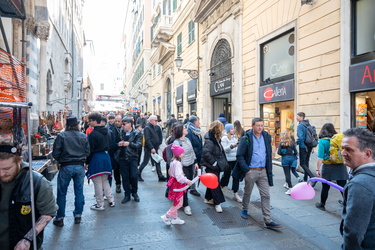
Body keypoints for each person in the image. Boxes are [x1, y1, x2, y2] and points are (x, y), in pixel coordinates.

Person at [0, 138, 57, 249]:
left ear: (20, 160)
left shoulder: (36, 182)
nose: (1, 174)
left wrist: (27, 239)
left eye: (7, 169)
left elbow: (48, 212)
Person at [233, 117, 282, 229]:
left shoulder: (266, 137)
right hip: (251, 171)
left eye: (261, 125)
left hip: (263, 170)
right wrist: (247, 170)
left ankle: (268, 220)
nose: (260, 127)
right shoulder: (246, 138)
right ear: (253, 126)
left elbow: (268, 154)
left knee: (266, 195)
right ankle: (245, 209)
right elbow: (239, 156)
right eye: (257, 125)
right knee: (247, 192)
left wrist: (269, 169)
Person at [340, 127, 375, 249]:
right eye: (342, 148)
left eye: (349, 149)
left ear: (367, 154)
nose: (343, 153)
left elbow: (353, 233)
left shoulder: (360, 184)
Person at [52, 116, 90, 227]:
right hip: (79, 166)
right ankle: (78, 215)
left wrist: (60, 159)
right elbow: (88, 152)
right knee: (79, 191)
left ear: (67, 125)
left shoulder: (61, 136)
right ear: (77, 125)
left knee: (62, 192)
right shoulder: (83, 136)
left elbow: (55, 153)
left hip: (66, 166)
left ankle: (60, 217)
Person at [315, 123, 348, 211]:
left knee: (325, 187)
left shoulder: (323, 141)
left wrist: (317, 169)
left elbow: (320, 157)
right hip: (340, 165)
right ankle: (349, 205)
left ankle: (322, 204)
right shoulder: (338, 139)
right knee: (343, 186)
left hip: (328, 166)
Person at [86, 112, 115, 210]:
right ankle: (110, 200)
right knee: (105, 180)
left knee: (97, 182)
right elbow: (111, 145)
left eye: (90, 121)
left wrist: (87, 162)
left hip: (96, 158)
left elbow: (90, 150)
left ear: (95, 121)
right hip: (106, 157)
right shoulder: (108, 131)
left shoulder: (93, 134)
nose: (89, 123)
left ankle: (100, 204)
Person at [161, 145, 192, 225]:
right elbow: (179, 176)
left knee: (175, 202)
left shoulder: (173, 161)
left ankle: (175, 218)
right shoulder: (178, 163)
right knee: (179, 203)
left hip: (174, 183)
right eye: (182, 153)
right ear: (178, 154)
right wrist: (187, 180)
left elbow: (170, 172)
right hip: (178, 184)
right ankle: (167, 216)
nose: (184, 154)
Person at [201, 120, 227, 213]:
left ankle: (208, 198)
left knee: (212, 183)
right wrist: (214, 163)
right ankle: (217, 203)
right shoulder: (210, 140)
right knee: (215, 184)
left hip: (215, 165)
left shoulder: (215, 138)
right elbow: (206, 152)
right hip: (212, 166)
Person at [172, 124, 198, 216]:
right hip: (182, 167)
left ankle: (183, 201)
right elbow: (176, 156)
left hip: (190, 165)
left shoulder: (187, 139)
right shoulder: (176, 142)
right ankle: (185, 205)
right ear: (180, 131)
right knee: (184, 186)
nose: (186, 129)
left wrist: (195, 162)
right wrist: (179, 170)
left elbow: (192, 152)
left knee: (188, 185)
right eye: (184, 128)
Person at [117, 117, 142, 204]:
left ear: (130, 124)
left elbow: (139, 145)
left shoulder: (137, 133)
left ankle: (134, 193)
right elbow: (117, 142)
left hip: (132, 158)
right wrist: (119, 143)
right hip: (122, 157)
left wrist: (129, 144)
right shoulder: (121, 132)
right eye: (122, 124)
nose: (123, 126)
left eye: (124, 124)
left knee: (134, 176)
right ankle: (127, 194)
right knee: (125, 177)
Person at [138, 115, 167, 182]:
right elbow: (147, 139)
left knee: (157, 161)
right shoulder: (147, 128)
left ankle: (160, 176)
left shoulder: (155, 127)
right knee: (145, 161)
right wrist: (151, 147)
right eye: (155, 120)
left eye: (157, 120)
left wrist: (158, 143)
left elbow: (159, 136)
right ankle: (138, 174)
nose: (157, 121)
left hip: (155, 147)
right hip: (149, 148)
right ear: (151, 120)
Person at [221, 123, 242, 202]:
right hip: (228, 160)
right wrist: (231, 146)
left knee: (236, 177)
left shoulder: (235, 137)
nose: (233, 130)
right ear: (228, 130)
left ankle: (235, 193)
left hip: (236, 160)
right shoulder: (224, 138)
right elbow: (223, 150)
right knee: (226, 175)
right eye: (232, 129)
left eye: (233, 128)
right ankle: (222, 186)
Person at [185, 116, 203, 197]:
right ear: (195, 123)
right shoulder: (189, 132)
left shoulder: (198, 131)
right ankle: (192, 188)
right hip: (193, 157)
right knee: (193, 172)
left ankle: (192, 187)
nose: (199, 123)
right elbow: (189, 147)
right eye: (198, 121)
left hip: (199, 155)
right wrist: (194, 159)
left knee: (197, 172)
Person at [277, 130, 298, 195]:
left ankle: (290, 188)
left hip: (285, 158)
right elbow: (296, 152)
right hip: (292, 158)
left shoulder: (281, 143)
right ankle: (287, 184)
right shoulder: (292, 143)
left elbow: (279, 152)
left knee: (287, 173)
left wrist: (283, 154)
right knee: (290, 172)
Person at [296, 112, 315, 181]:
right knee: (306, 163)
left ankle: (312, 177)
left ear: (302, 117)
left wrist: (296, 143)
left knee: (302, 163)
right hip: (309, 146)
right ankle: (305, 179)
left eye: (297, 116)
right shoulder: (308, 124)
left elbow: (301, 137)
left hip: (303, 146)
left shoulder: (300, 125)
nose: (296, 118)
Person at [109, 115, 123, 193]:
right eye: (116, 121)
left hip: (124, 152)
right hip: (115, 153)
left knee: (124, 170)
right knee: (116, 170)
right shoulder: (111, 129)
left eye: (119, 121)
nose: (117, 123)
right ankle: (118, 184)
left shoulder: (125, 128)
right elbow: (111, 143)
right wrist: (117, 144)